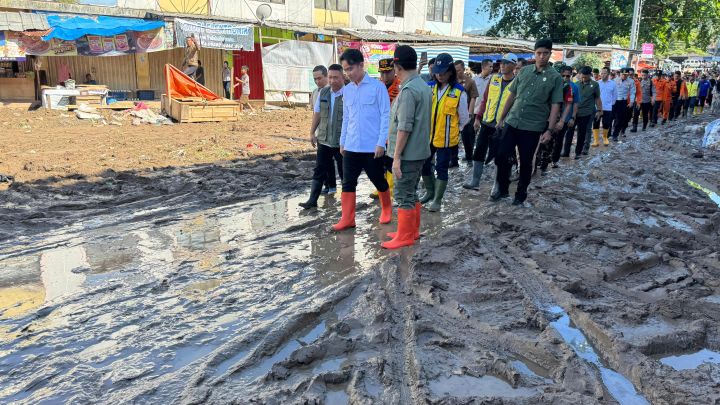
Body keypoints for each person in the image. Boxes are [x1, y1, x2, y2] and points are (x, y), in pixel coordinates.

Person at [493, 39, 563, 206]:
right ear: (534, 53)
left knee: (526, 162)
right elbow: (511, 95)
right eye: (539, 53)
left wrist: (549, 130)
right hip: (513, 121)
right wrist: (501, 118)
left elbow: (555, 106)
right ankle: (503, 188)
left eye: (545, 53)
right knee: (501, 156)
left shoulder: (555, 78)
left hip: (532, 127)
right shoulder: (523, 71)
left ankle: (520, 195)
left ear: (549, 54)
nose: (542, 56)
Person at [332, 48, 392, 231]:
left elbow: (385, 116)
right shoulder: (347, 90)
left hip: (371, 146)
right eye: (345, 70)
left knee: (378, 180)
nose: (348, 74)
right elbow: (346, 118)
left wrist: (381, 142)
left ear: (360, 65)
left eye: (350, 69)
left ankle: (387, 209)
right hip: (351, 146)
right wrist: (342, 142)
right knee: (348, 182)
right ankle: (348, 218)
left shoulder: (377, 87)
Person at [382, 45, 432, 249]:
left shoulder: (409, 90)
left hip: (408, 153)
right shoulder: (421, 85)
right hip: (419, 150)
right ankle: (411, 230)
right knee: (411, 191)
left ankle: (405, 236)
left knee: (403, 193)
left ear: (397, 66)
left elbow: (404, 127)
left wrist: (396, 157)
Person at [420, 53, 469, 212]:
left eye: (443, 72)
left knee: (441, 168)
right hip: (428, 136)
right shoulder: (429, 87)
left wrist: (454, 130)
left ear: (450, 71)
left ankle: (437, 199)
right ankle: (430, 192)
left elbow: (464, 118)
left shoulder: (459, 91)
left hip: (447, 139)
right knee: (425, 165)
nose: (440, 75)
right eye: (437, 72)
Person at [463, 53, 517, 190]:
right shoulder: (494, 79)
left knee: (500, 157)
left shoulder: (517, 83)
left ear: (514, 65)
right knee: (479, 151)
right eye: (501, 63)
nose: (502, 65)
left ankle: (497, 185)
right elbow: (485, 100)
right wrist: (478, 118)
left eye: (506, 63)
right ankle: (475, 181)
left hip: (504, 126)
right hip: (487, 122)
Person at [299, 64, 345, 209]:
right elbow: (317, 113)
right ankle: (312, 200)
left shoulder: (349, 93)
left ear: (342, 77)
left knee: (345, 172)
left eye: (335, 77)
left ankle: (347, 203)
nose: (332, 81)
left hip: (341, 141)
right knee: (319, 169)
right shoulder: (323, 93)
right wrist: (312, 132)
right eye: (330, 77)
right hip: (324, 140)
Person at [369, 58, 400, 200]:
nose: (385, 76)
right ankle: (380, 187)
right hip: (378, 129)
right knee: (378, 160)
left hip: (394, 129)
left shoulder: (400, 87)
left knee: (390, 160)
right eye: (382, 73)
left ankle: (391, 188)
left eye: (388, 73)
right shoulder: (377, 86)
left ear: (394, 71)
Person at [310, 65, 342, 194]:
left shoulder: (345, 92)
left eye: (320, 78)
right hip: (322, 134)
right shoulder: (317, 93)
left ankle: (342, 194)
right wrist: (312, 132)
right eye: (315, 79)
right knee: (322, 165)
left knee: (341, 167)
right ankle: (327, 188)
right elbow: (316, 113)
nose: (317, 81)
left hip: (339, 137)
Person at [573, 66, 603, 159]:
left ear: (590, 75)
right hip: (577, 111)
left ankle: (585, 148)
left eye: (585, 77)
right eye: (582, 76)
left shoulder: (595, 85)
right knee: (576, 131)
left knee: (587, 129)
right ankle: (574, 148)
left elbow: (597, 98)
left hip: (589, 111)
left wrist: (599, 110)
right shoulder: (576, 84)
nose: (583, 78)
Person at [455, 60, 480, 166]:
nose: (457, 72)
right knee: (453, 136)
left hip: (466, 113)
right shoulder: (452, 81)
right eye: (455, 70)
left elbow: (473, 98)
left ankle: (469, 157)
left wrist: (470, 114)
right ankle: (453, 159)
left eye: (459, 70)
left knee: (467, 136)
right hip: (454, 113)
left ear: (463, 69)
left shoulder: (470, 82)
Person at [553, 65, 580, 163]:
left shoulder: (574, 87)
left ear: (571, 76)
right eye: (563, 75)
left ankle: (555, 161)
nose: (565, 78)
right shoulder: (555, 85)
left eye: (567, 76)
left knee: (559, 140)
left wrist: (573, 117)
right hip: (551, 117)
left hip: (565, 118)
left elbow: (575, 103)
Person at [593, 67, 616, 147]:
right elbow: (594, 96)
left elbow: (614, 96)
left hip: (608, 107)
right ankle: (596, 140)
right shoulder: (597, 83)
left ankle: (605, 138)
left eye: (604, 73)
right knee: (596, 122)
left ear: (608, 74)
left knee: (606, 123)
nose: (602, 75)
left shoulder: (613, 83)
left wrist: (610, 104)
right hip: (597, 107)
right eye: (601, 73)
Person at [612, 68, 635, 142]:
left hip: (623, 101)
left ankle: (615, 134)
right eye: (622, 74)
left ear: (628, 74)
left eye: (626, 75)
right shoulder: (615, 80)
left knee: (620, 119)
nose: (624, 76)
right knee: (610, 118)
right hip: (614, 101)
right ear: (620, 74)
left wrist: (631, 102)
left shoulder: (631, 81)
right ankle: (608, 133)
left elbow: (632, 92)